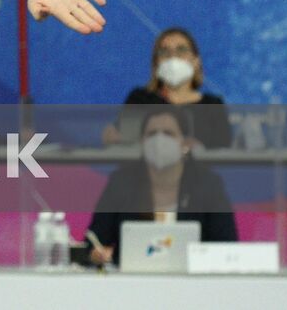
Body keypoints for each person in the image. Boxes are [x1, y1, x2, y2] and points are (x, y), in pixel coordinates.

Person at [86, 106, 237, 266]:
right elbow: (93, 242)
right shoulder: (121, 182)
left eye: (168, 133)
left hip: (193, 284)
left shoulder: (207, 184)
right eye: (152, 134)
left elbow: (227, 245)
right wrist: (97, 254)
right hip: (132, 281)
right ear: (142, 142)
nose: (159, 140)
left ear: (185, 142)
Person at [101, 27, 231, 149]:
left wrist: (198, 150)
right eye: (164, 51)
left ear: (196, 61)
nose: (173, 57)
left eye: (181, 50)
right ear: (156, 63)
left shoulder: (212, 105)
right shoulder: (140, 98)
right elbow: (125, 144)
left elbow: (223, 153)